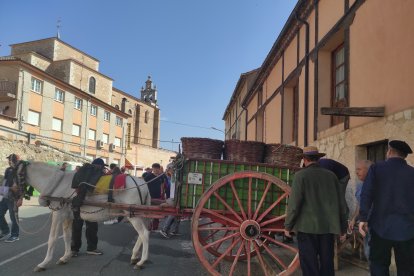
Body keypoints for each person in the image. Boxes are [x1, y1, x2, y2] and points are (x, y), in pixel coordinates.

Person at [284, 146, 347, 276]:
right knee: (327, 263)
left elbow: (294, 205)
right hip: (328, 228)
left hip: (307, 228)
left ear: (304, 159)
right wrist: (343, 228)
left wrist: (288, 226)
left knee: (309, 264)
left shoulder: (300, 176)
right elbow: (341, 204)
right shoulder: (332, 176)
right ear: (318, 159)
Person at [359, 140, 414, 275]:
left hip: (380, 227)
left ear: (389, 151)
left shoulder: (376, 168)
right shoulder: (412, 172)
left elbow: (366, 194)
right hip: (407, 229)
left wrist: (363, 218)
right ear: (405, 156)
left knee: (379, 265)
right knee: (407, 268)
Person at [71, 158, 105, 256]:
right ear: (100, 166)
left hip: (77, 203)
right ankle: (91, 248)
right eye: (102, 166)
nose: (103, 168)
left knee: (76, 227)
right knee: (92, 227)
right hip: (90, 204)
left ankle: (74, 250)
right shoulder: (98, 174)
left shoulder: (82, 171)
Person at [348, 160, 373, 261]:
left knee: (372, 252)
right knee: (368, 251)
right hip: (364, 224)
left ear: (369, 170)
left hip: (374, 224)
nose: (356, 172)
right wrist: (354, 218)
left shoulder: (377, 185)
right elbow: (360, 204)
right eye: (356, 170)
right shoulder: (360, 185)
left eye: (359, 169)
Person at [0, 154, 23, 242]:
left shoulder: (20, 171)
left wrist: (21, 198)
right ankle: (5, 231)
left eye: (11, 160)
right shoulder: (8, 170)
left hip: (14, 198)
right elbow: (5, 183)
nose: (9, 161)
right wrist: (2, 194)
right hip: (5, 197)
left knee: (13, 217)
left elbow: (21, 187)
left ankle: (15, 235)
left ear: (16, 161)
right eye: (9, 159)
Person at [144, 163, 167, 231]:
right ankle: (149, 226)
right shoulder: (148, 176)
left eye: (157, 169)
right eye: (154, 168)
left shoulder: (161, 176)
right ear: (152, 169)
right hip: (150, 197)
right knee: (149, 212)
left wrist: (162, 192)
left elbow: (162, 184)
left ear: (159, 169)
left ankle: (155, 227)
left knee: (157, 212)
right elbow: (143, 183)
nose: (156, 170)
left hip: (158, 197)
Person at [160, 164, 181, 238]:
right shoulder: (173, 177)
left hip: (173, 199)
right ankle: (164, 229)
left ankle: (173, 230)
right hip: (173, 199)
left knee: (176, 214)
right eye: (171, 169)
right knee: (173, 214)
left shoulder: (174, 176)